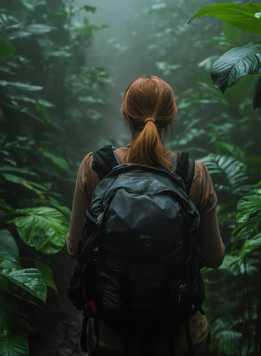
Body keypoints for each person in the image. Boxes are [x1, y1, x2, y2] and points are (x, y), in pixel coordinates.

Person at [67, 75, 225, 356]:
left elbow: (75, 248)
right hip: (181, 337)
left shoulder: (94, 168)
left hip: (112, 336)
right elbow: (214, 257)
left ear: (126, 113)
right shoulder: (193, 174)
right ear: (170, 116)